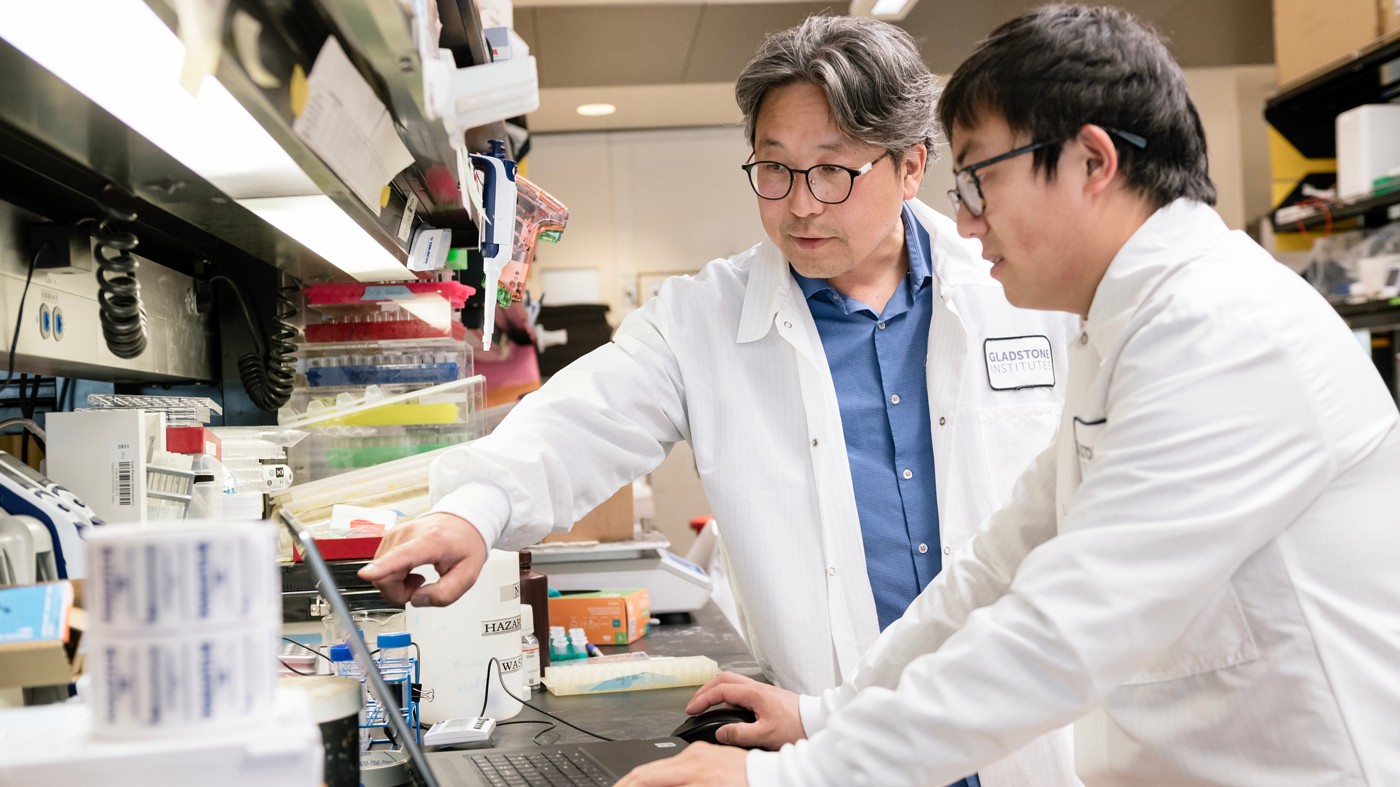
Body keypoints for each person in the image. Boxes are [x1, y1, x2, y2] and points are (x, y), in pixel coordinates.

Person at [617, 4, 1400, 786]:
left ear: (1092, 162)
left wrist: (785, 778)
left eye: (981, 179)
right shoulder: (1130, 329)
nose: (962, 218)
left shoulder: (1222, 336)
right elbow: (1000, 562)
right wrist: (831, 710)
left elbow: (1063, 630)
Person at [362, 14, 1079, 785]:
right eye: (774, 169)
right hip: (828, 738)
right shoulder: (706, 317)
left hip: (1027, 735)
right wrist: (470, 509)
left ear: (910, 167)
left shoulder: (1020, 291)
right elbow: (584, 417)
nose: (800, 205)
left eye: (833, 171)